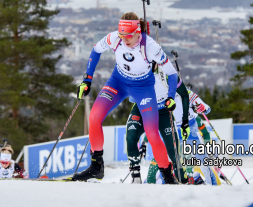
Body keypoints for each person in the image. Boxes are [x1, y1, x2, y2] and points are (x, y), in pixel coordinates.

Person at [72, 12, 179, 184]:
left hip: (143, 87)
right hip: (118, 82)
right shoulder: (114, 38)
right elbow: (96, 50)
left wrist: (171, 96)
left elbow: (172, 74)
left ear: (138, 31)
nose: (124, 39)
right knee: (94, 117)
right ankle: (96, 167)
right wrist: (87, 80)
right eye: (122, 35)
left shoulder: (150, 46)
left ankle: (167, 175)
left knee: (152, 133)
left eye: (128, 36)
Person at [125, 62, 188, 184]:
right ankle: (135, 175)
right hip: (142, 108)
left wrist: (185, 121)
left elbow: (184, 95)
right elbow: (130, 96)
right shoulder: (136, 72)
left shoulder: (167, 73)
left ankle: (178, 180)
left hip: (163, 112)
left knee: (174, 154)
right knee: (131, 135)